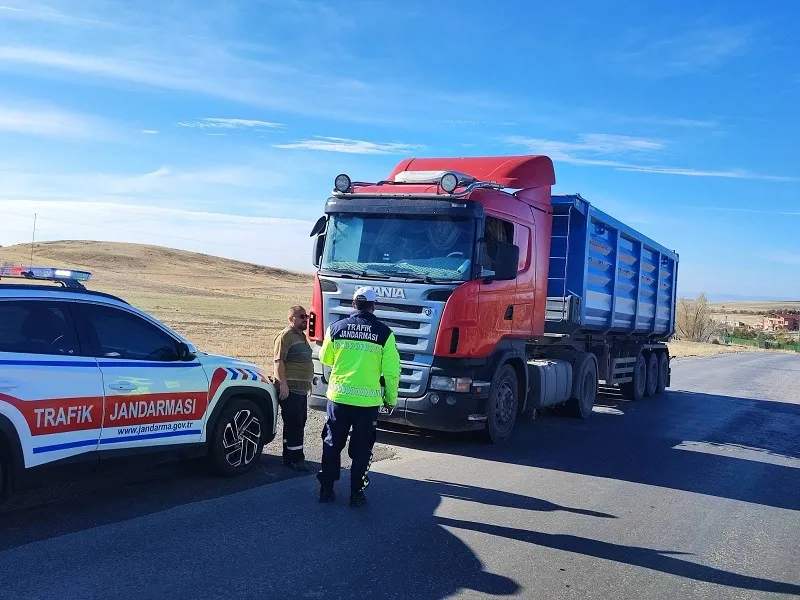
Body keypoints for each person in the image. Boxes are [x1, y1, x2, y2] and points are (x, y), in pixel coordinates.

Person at [316, 286, 400, 507]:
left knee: (332, 444)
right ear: (374, 307)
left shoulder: (335, 328)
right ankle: (356, 494)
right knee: (362, 449)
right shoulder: (385, 334)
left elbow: (326, 358)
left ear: (353, 304)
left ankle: (326, 489)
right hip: (367, 403)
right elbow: (391, 372)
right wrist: (391, 399)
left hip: (339, 398)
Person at [273, 305, 314, 472]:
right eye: (302, 316)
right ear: (291, 319)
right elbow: (278, 361)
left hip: (301, 389)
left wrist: (308, 383)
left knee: (296, 422)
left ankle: (288, 456)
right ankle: (296, 459)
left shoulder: (302, 337)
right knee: (295, 423)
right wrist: (282, 384)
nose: (306, 319)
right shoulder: (285, 336)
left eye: (307, 316)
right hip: (290, 388)